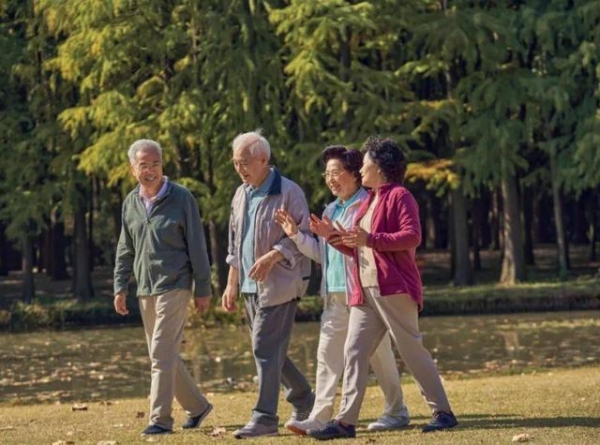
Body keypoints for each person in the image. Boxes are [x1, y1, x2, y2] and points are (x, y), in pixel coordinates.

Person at [308, 136, 459, 440]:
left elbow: (411, 237)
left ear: (380, 166)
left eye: (364, 164)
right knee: (354, 351)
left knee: (411, 349)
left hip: (393, 289)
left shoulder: (400, 196)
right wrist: (333, 238)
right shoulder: (370, 199)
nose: (360, 169)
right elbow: (360, 249)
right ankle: (345, 422)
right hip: (364, 292)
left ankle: (443, 412)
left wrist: (370, 240)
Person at [274, 145, 410, 435]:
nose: (331, 179)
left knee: (379, 355)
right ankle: (320, 416)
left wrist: (337, 237)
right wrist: (296, 236)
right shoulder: (329, 209)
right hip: (334, 295)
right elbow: (325, 254)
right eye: (327, 174)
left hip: (363, 293)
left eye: (336, 173)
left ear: (354, 174)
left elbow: (364, 248)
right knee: (326, 355)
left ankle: (396, 410)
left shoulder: (367, 205)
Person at [113, 139, 213, 436]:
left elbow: (197, 244)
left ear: (162, 166)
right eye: (144, 165)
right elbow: (124, 248)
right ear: (133, 169)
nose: (151, 170)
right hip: (145, 288)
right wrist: (120, 286)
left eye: (155, 164)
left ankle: (160, 420)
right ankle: (197, 407)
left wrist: (203, 287)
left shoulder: (182, 198)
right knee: (165, 354)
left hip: (176, 284)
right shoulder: (130, 203)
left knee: (160, 353)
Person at [221, 130, 314, 439]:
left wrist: (274, 255)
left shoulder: (289, 192)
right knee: (270, 350)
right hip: (249, 287)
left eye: (245, 162)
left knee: (264, 348)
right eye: (235, 163)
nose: (240, 169)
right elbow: (235, 243)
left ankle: (264, 418)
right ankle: (303, 396)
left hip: (281, 285)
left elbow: (304, 237)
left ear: (264, 159)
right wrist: (231, 282)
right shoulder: (240, 193)